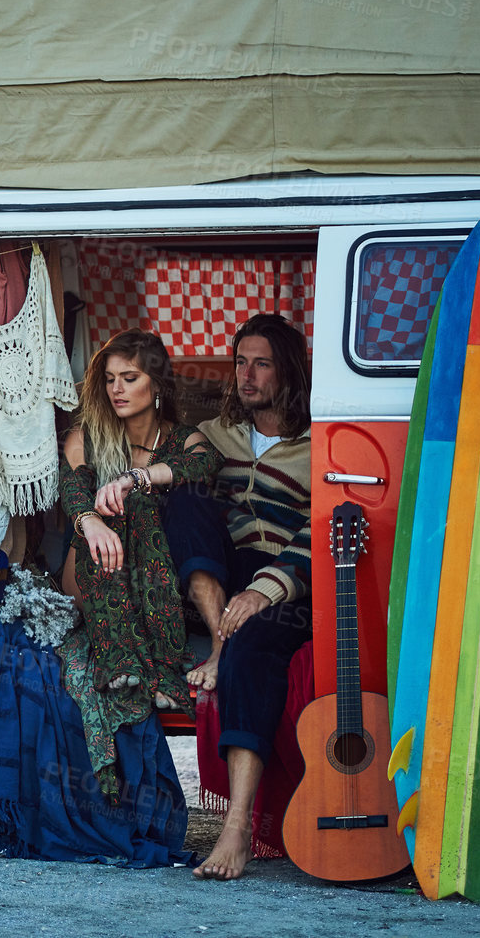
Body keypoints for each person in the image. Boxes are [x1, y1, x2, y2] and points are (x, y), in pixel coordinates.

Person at [168, 313, 313, 880]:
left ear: (289, 373)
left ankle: (237, 830)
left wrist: (265, 590)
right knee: (186, 497)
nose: (246, 376)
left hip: (282, 582)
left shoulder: (319, 443)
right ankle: (219, 647)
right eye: (240, 363)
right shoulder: (214, 437)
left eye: (261, 364)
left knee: (254, 651)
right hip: (215, 577)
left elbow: (320, 529)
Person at [58, 329, 222, 791]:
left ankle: (154, 665)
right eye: (110, 379)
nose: (117, 390)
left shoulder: (181, 439)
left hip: (156, 586)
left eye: (129, 378)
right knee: (118, 513)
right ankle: (130, 662)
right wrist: (90, 518)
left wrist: (139, 478)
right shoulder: (88, 435)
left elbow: (205, 464)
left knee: (142, 506)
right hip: (93, 572)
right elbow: (72, 484)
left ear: (157, 384)